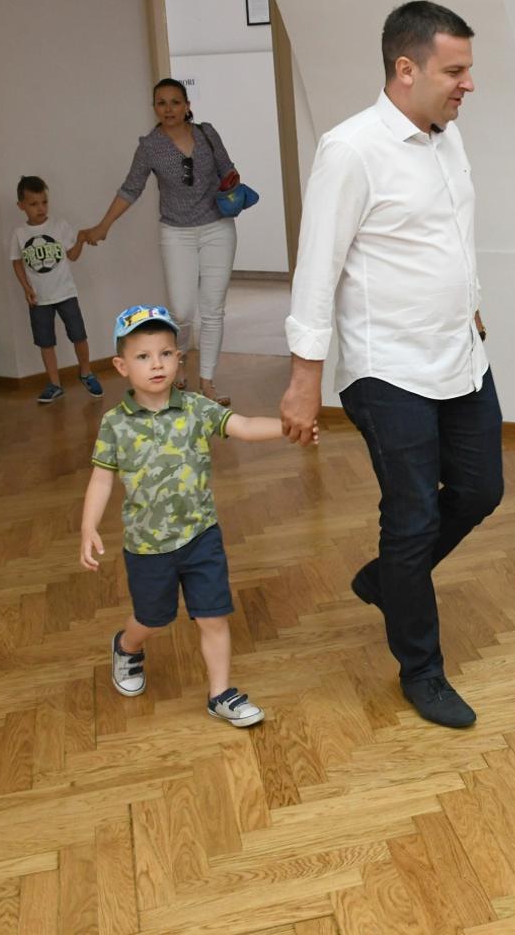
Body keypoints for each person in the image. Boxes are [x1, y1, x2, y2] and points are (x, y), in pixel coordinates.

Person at [280, 1, 501, 729]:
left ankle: (386, 581)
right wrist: (304, 381)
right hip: (388, 369)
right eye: (455, 70)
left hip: (460, 354)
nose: (469, 83)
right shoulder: (350, 150)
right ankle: (421, 670)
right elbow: (317, 268)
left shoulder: (447, 138)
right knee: (411, 517)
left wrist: (470, 306)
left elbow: (449, 237)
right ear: (406, 69)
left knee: (481, 489)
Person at [80, 305, 316, 727]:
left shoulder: (195, 408)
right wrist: (87, 527)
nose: (157, 364)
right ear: (121, 366)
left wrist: (287, 428)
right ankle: (128, 645)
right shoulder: (115, 424)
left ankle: (220, 693)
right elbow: (101, 479)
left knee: (213, 615)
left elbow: (243, 426)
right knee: (153, 618)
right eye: (143, 356)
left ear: (179, 359)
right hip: (148, 546)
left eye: (165, 354)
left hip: (201, 536)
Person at [81, 79, 242, 406]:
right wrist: (104, 225)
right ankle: (177, 363)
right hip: (176, 232)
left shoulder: (207, 134)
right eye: (161, 103)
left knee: (213, 309)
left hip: (217, 228)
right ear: (154, 108)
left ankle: (207, 383)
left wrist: (230, 185)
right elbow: (131, 188)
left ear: (187, 106)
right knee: (181, 310)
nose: (168, 109)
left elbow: (228, 170)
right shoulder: (150, 146)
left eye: (175, 102)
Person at [9, 175, 103, 404]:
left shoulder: (60, 226)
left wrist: (80, 240)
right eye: (33, 204)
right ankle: (54, 384)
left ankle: (86, 373)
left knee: (79, 335)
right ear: (21, 206)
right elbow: (17, 262)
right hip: (39, 299)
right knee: (45, 342)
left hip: (66, 293)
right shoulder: (19, 234)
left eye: (44, 202)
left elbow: (73, 255)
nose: (40, 208)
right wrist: (26, 288)